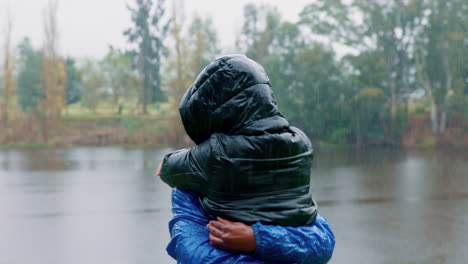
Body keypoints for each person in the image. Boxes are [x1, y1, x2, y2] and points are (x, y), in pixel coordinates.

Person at [157, 55, 335, 263]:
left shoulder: (216, 154)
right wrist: (259, 239)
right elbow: (322, 239)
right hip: (294, 231)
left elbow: (168, 168)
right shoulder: (300, 141)